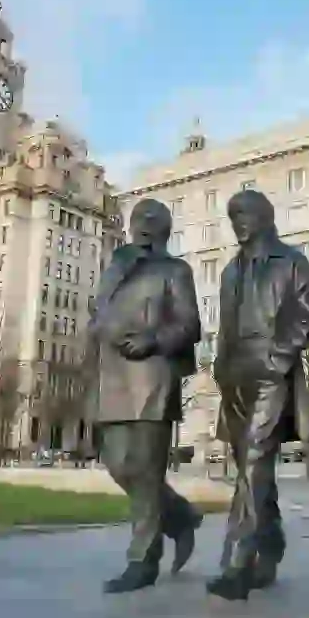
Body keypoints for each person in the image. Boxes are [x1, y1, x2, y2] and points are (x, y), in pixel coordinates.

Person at [208, 189, 309, 601]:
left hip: (271, 372)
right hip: (235, 375)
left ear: (266, 215)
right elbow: (224, 325)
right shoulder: (229, 271)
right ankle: (271, 544)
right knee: (249, 467)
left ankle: (237, 564)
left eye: (246, 213)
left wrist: (279, 356)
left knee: (254, 464)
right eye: (232, 214)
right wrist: (220, 369)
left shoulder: (291, 261)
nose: (239, 220)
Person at [87, 198, 204, 594]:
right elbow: (98, 313)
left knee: (147, 469)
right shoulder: (115, 268)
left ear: (166, 229)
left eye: (154, 219)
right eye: (139, 218)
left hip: (154, 374)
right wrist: (106, 331)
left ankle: (143, 560)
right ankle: (181, 517)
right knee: (120, 465)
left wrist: (154, 339)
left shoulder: (176, 270)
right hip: (113, 374)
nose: (145, 225)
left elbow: (190, 325)